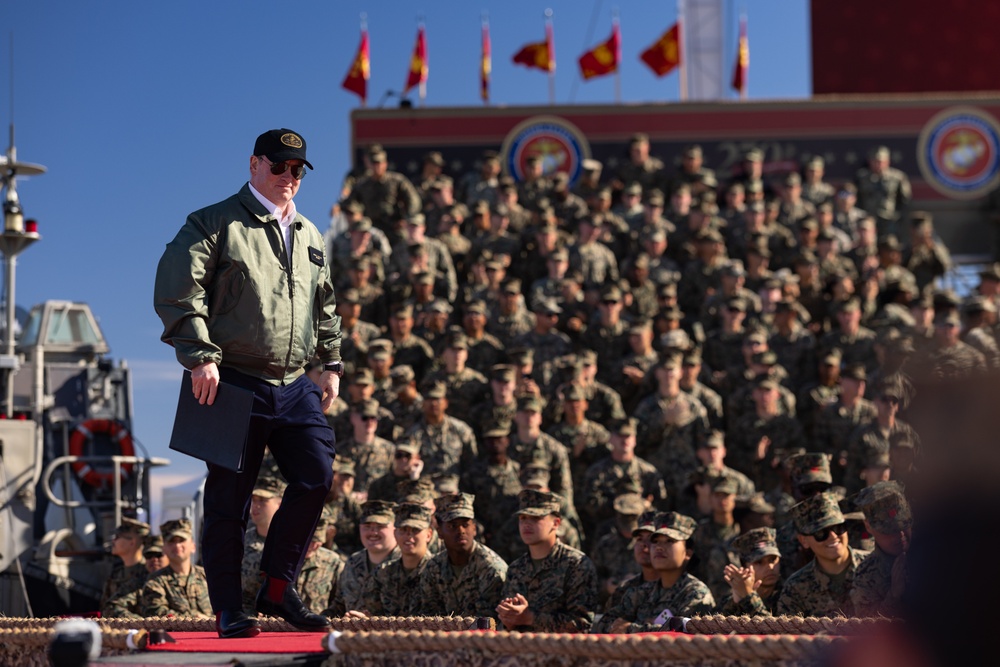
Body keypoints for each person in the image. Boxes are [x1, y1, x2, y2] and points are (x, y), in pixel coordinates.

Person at [154, 128, 340, 637]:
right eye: (279, 166)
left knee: (317, 476)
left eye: (297, 170)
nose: (289, 177)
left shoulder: (310, 235)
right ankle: (230, 609)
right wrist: (198, 357)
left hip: (295, 381)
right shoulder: (214, 222)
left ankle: (278, 589)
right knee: (228, 501)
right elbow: (177, 288)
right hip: (231, 376)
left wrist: (331, 363)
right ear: (254, 164)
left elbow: (324, 306)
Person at [595, 512, 715, 633]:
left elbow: (681, 633)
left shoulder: (695, 593)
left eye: (669, 541)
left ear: (688, 553)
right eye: (656, 541)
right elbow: (604, 626)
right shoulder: (640, 592)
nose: (659, 547)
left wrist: (630, 628)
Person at [497, 489, 598, 632]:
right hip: (520, 650)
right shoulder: (516, 568)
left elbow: (583, 624)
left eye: (536, 518)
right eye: (523, 518)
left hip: (561, 652)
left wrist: (530, 618)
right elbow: (505, 627)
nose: (526, 524)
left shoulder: (576, 564)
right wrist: (508, 620)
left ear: (556, 523)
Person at [776, 491, 870, 617]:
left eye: (838, 528)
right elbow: (789, 634)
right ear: (804, 540)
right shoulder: (796, 589)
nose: (833, 536)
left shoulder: (876, 567)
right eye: (821, 533)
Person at [422, 492, 509, 618]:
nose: (461, 531)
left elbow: (490, 622)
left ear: (474, 528)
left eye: (465, 524)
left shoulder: (491, 569)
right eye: (453, 526)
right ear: (440, 532)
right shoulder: (433, 568)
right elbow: (427, 617)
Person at [359, 502, 435, 616]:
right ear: (395, 533)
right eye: (403, 530)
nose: (409, 536)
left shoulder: (438, 570)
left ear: (429, 535)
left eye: (415, 530)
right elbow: (372, 614)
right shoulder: (382, 573)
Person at [849, 481, 912, 617]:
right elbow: (868, 628)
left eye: (904, 525)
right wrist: (894, 596)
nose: (901, 535)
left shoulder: (934, 550)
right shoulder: (866, 575)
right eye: (889, 530)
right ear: (868, 527)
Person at [330, 500, 400, 617]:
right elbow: (339, 606)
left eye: (380, 526)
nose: (373, 532)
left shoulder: (405, 563)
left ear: (395, 529)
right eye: (367, 526)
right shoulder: (353, 562)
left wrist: (371, 622)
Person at [139, 519, 213, 619]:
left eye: (182, 540)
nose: (177, 545)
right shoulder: (155, 582)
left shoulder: (208, 576)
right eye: (171, 541)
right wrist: (195, 619)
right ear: (164, 548)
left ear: (193, 546)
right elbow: (157, 613)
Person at [719, 526, 783, 616]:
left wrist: (749, 597)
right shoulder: (731, 599)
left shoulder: (790, 593)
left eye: (773, 560)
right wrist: (738, 600)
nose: (770, 566)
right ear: (745, 566)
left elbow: (775, 628)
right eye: (759, 562)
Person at [100, 517, 151, 618]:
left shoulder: (148, 573)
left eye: (118, 537)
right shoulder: (116, 574)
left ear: (132, 542)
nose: (113, 541)